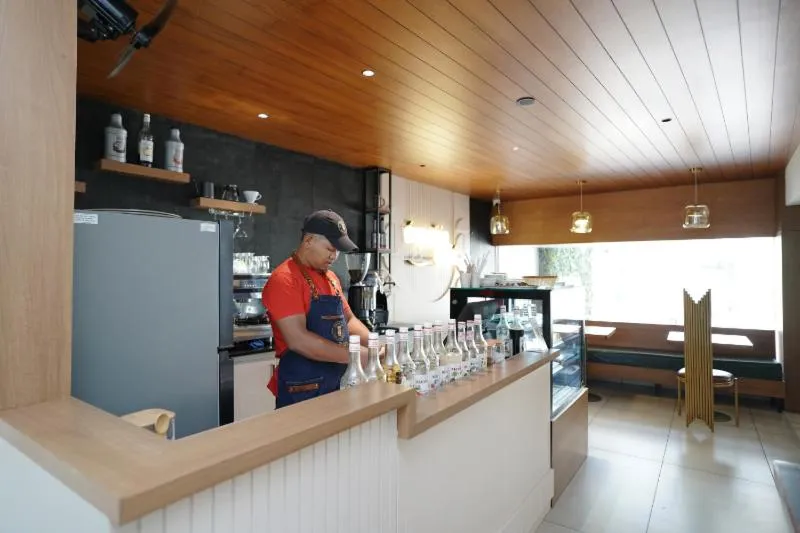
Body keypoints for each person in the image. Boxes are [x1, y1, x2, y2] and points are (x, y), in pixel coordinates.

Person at [262, 210, 372, 408]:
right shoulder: (285, 279)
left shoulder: (331, 278)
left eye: (338, 251)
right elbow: (299, 340)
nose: (334, 256)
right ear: (309, 241)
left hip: (337, 382)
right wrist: (356, 355)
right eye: (330, 248)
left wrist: (374, 343)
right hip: (303, 390)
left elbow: (349, 320)